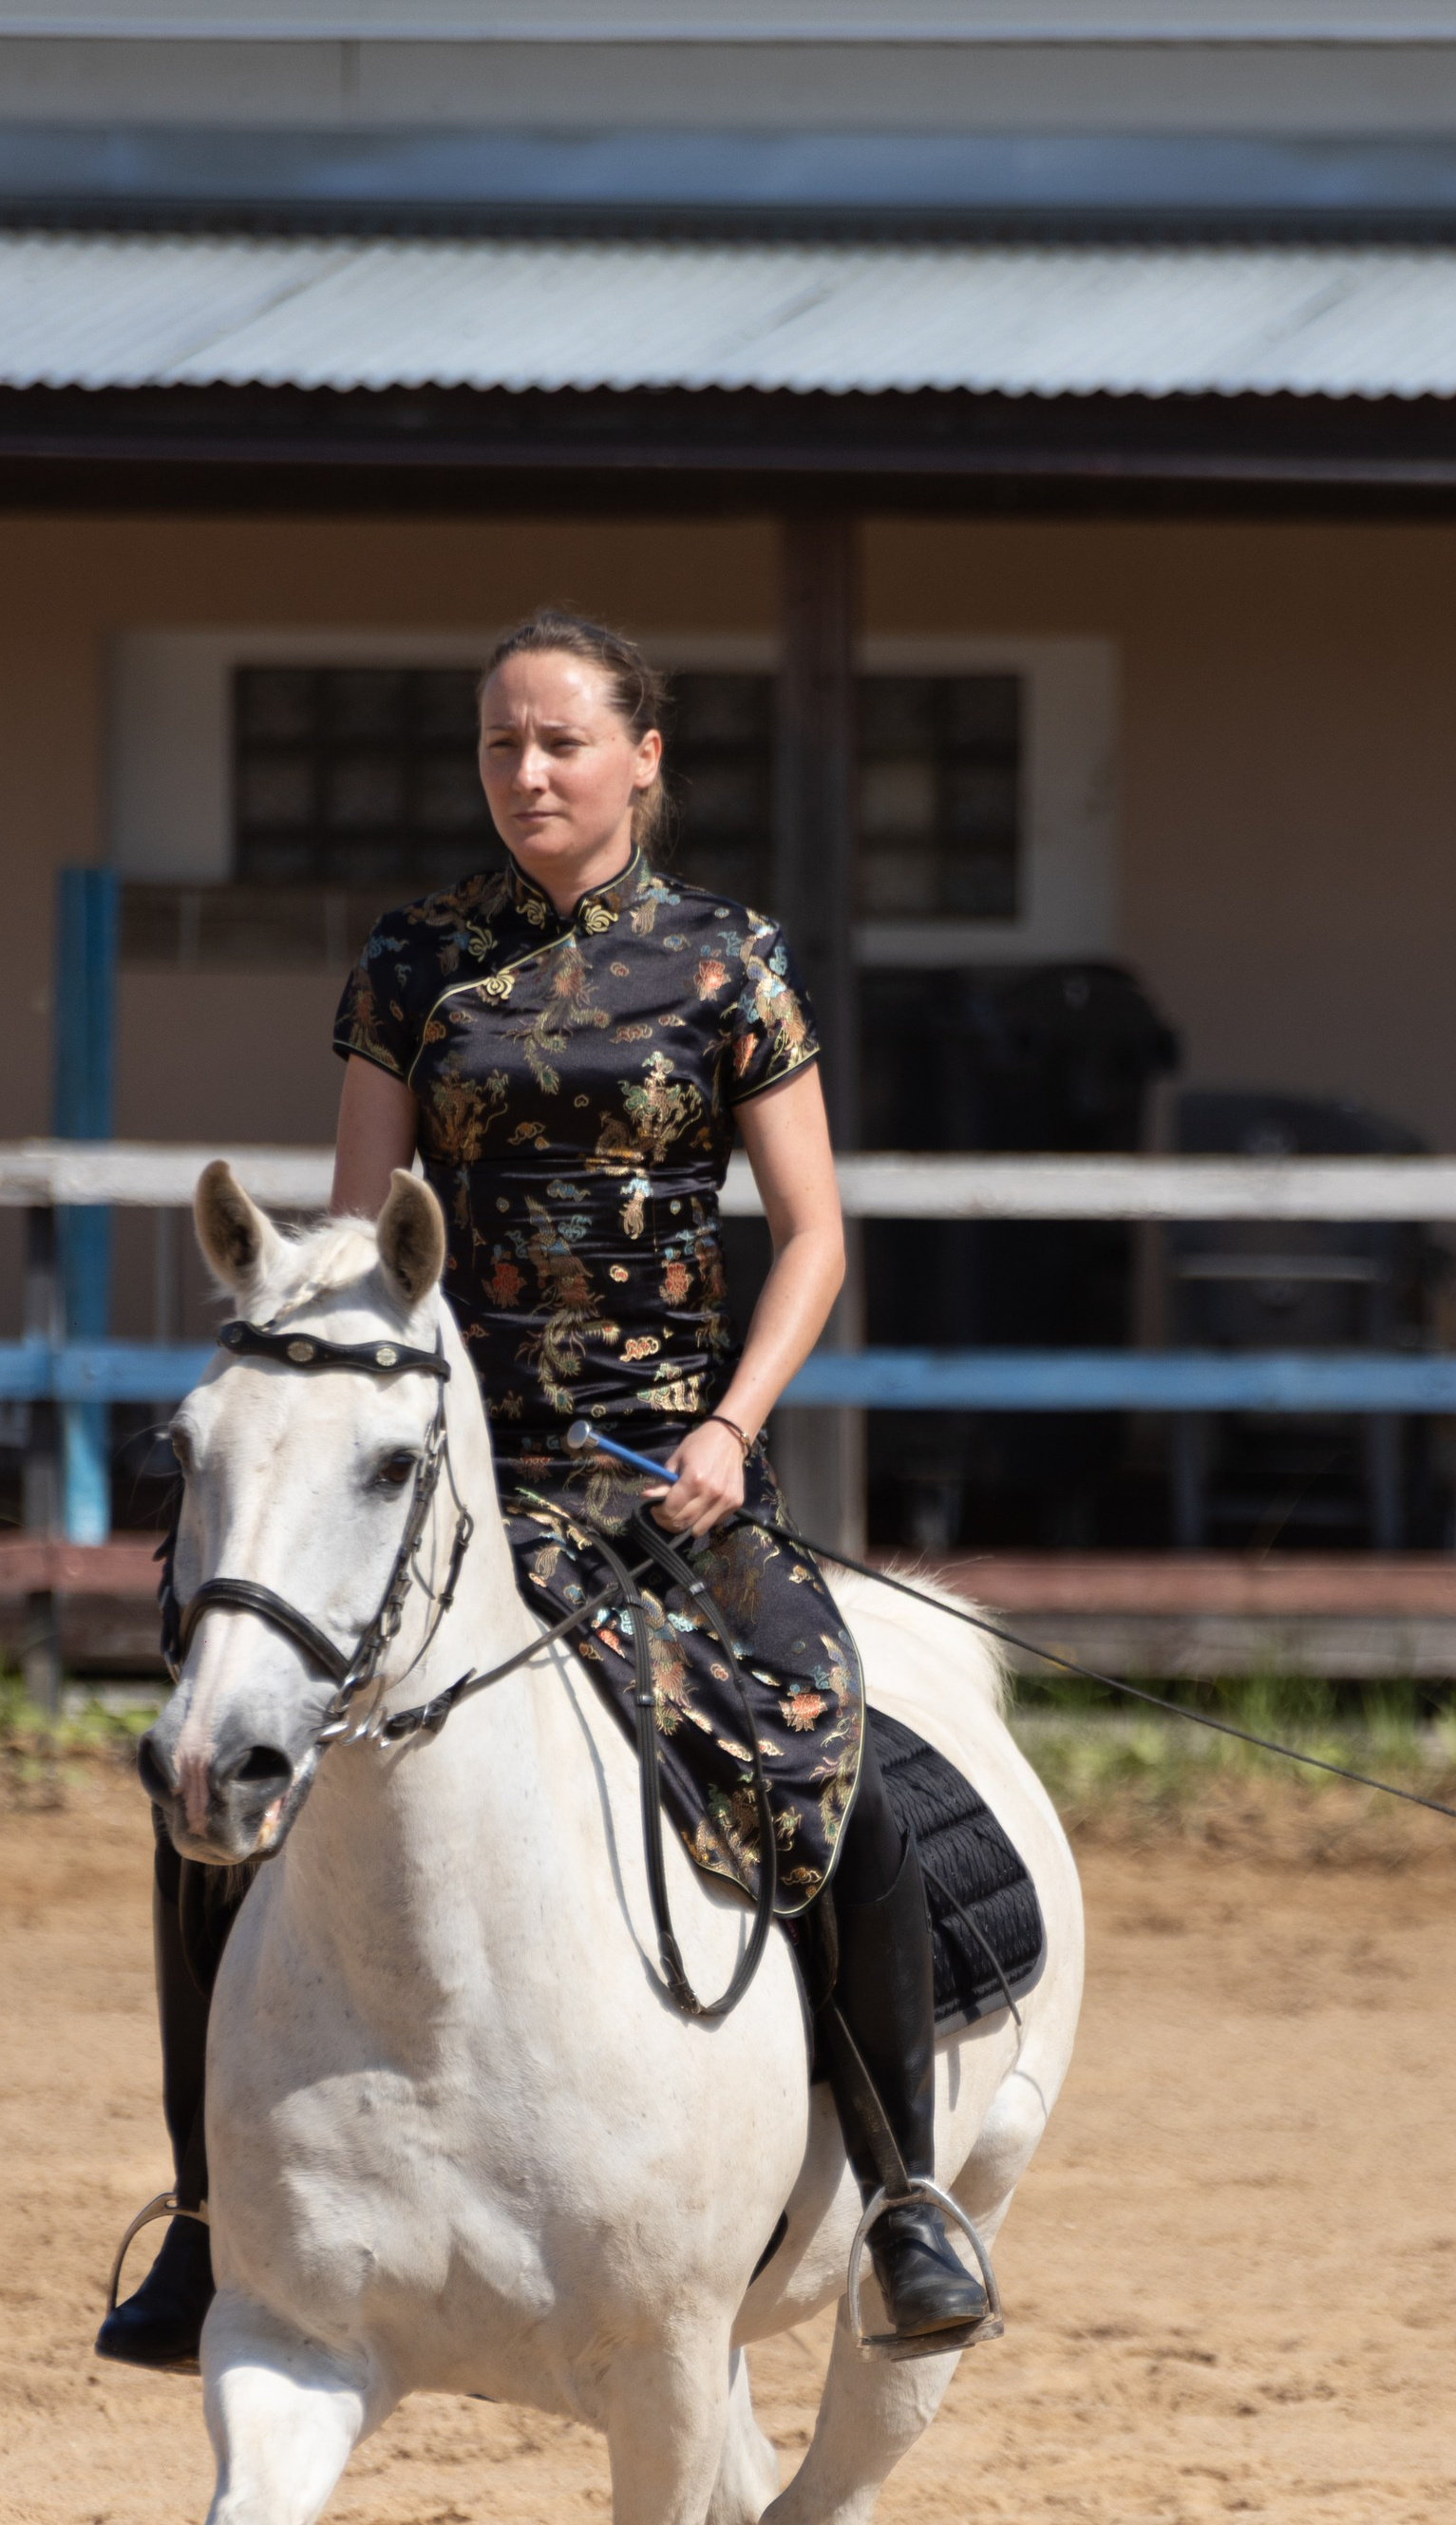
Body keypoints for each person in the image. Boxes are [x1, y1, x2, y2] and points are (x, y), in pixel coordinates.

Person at [99, 608, 992, 2370]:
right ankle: (208, 2219)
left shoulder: (732, 963)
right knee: (208, 1769)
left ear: (644, 758)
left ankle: (900, 2195)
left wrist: (735, 1431)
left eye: (564, 743)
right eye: (503, 746)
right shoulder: (413, 962)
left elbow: (811, 1236)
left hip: (668, 1470)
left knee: (826, 1746)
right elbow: (357, 1252)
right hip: (439, 1480)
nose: (529, 774)